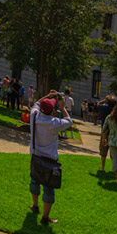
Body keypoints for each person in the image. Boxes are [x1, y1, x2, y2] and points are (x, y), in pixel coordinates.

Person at [28, 91, 73, 225]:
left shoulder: (34, 116)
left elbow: (36, 103)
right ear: (53, 110)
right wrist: (63, 107)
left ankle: (35, 206)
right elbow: (69, 121)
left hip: (35, 156)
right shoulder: (55, 123)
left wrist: (48, 95)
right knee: (49, 188)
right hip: (50, 160)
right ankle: (45, 217)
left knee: (34, 181)